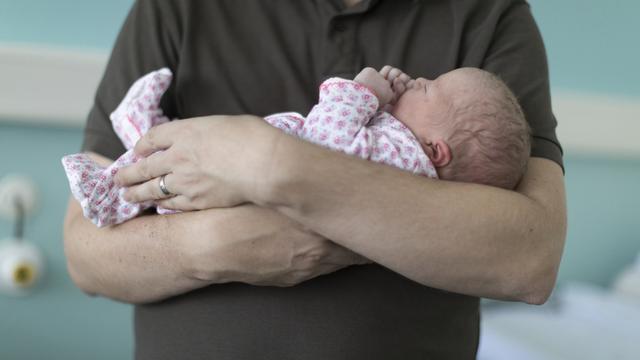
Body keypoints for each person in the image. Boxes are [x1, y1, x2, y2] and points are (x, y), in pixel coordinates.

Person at [63, 0, 567, 359]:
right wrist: (217, 245)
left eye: (429, 87)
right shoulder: (179, 8)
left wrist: (263, 161)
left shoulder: (489, 15)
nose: (416, 84)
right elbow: (87, 256)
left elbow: (527, 261)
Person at [62, 65, 529, 227]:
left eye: (431, 90)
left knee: (173, 165)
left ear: (436, 150)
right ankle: (144, 129)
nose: (420, 79)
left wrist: (361, 90)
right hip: (245, 176)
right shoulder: (406, 161)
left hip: (239, 188)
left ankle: (108, 191)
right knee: (189, 146)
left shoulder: (402, 162)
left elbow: (324, 149)